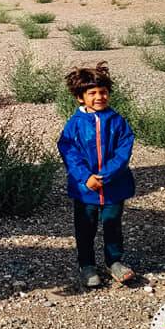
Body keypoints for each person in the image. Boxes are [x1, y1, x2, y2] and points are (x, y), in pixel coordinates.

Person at [57, 62, 136, 288]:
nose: (99, 97)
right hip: (85, 189)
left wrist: (105, 176)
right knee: (85, 227)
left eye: (103, 92)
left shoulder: (118, 121)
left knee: (112, 224)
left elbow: (124, 151)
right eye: (92, 93)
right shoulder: (74, 124)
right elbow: (69, 151)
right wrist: (85, 177)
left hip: (114, 186)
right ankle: (87, 265)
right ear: (80, 98)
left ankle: (115, 261)